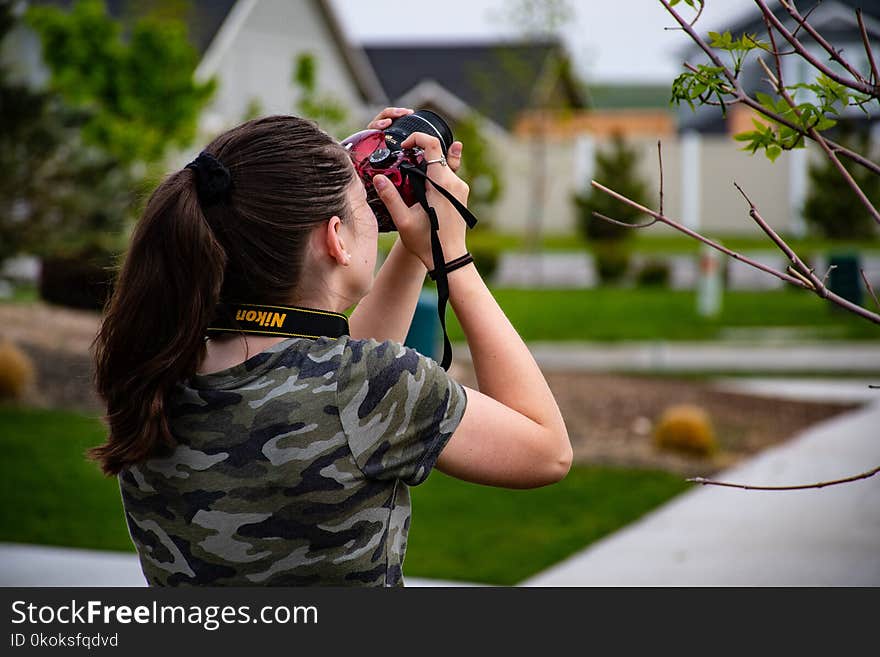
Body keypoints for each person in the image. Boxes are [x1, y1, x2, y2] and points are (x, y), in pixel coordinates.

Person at [90, 108, 572, 586]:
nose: (371, 208)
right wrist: (455, 259)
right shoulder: (371, 385)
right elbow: (547, 451)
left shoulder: (153, 367)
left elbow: (329, 371)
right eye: (363, 200)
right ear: (336, 239)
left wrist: (415, 244)